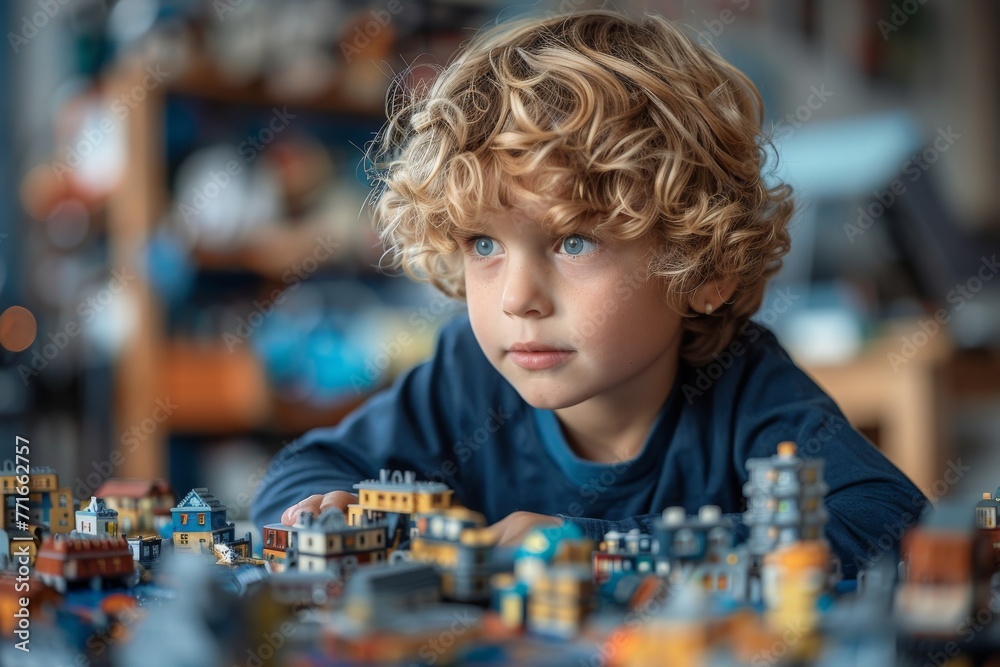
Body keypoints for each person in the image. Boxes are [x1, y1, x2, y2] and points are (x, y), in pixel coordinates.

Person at [251, 9, 925, 577]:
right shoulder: (466, 375)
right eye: (483, 244)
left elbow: (893, 528)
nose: (518, 298)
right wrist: (323, 506)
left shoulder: (746, 392)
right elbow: (305, 469)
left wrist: (602, 550)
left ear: (705, 269)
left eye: (575, 241)